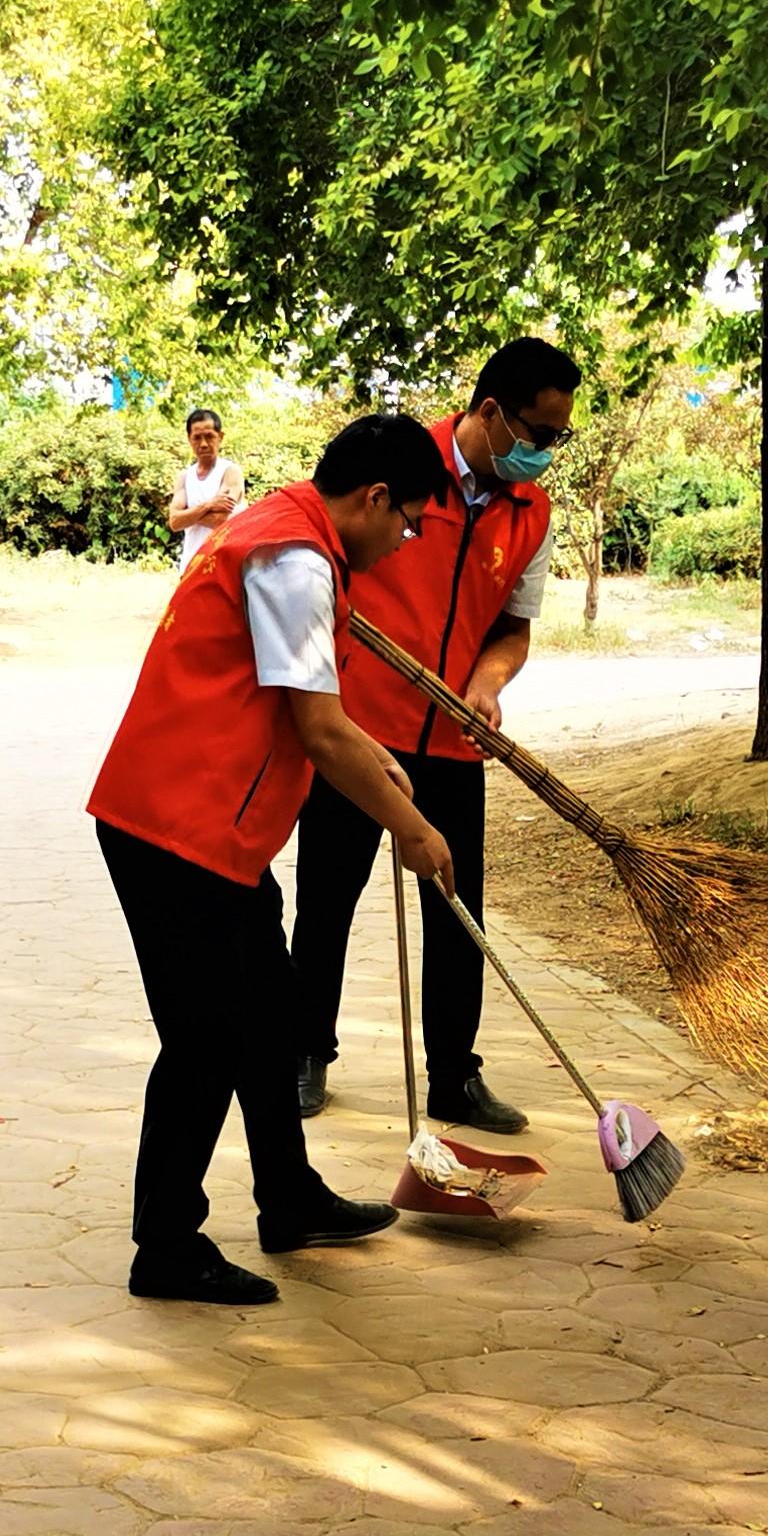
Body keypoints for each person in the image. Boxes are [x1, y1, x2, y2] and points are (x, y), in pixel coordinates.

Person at [88, 414, 459, 1306]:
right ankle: (166, 1244)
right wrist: (410, 824)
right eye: (407, 521)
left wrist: (375, 758)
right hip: (178, 827)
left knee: (270, 1010)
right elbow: (319, 730)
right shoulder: (293, 560)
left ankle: (288, 1198)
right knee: (204, 1040)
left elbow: (310, 710)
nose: (403, 540)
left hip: (214, 828)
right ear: (373, 498)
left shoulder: (288, 530)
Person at [288, 338, 580, 1134]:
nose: (544, 453)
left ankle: (454, 1074)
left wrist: (485, 687)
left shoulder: (533, 512)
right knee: (327, 897)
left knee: (456, 907)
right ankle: (304, 1052)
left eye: (558, 438)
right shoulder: (405, 472)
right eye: (538, 433)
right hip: (355, 734)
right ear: (489, 413)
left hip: (452, 739)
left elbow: (513, 630)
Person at [168, 408, 243, 565]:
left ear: (220, 437)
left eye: (209, 436)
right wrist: (210, 504)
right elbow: (174, 522)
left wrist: (187, 515)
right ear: (189, 439)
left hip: (225, 566)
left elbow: (219, 519)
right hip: (191, 566)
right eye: (197, 438)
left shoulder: (230, 472)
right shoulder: (184, 478)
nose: (203, 444)